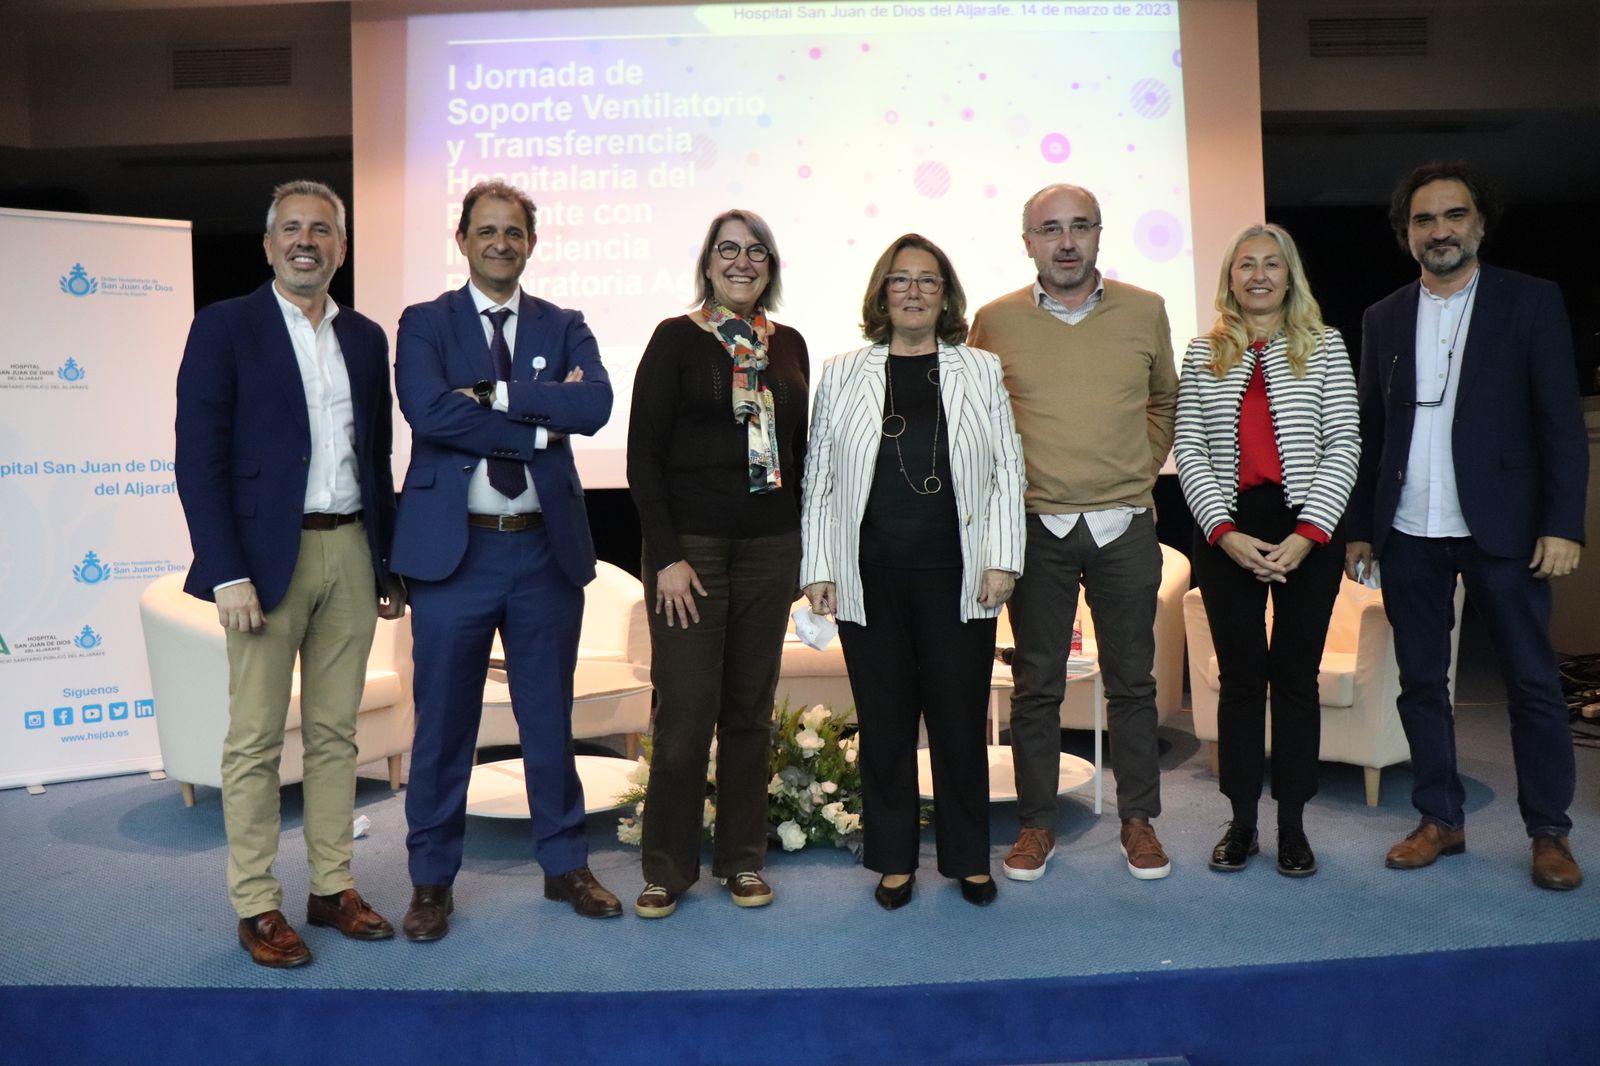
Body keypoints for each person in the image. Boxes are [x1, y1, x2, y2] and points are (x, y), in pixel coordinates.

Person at [174, 180, 404, 967]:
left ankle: (332, 886)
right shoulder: (224, 328)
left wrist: (385, 561)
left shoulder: (368, 338)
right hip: (261, 564)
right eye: (293, 229)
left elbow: (374, 457)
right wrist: (225, 570)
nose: (308, 241)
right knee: (256, 741)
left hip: (349, 550)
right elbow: (197, 459)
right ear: (269, 245)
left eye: (324, 230)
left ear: (340, 247)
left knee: (338, 735)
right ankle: (256, 904)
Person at [1347, 161, 1588, 891]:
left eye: (1454, 216)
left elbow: (1561, 426)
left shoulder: (1531, 303)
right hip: (1409, 530)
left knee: (1533, 683)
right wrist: (1362, 527)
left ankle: (1549, 833)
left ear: (1480, 224)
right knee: (1420, 684)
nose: (1440, 230)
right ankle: (1439, 820)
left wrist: (1563, 523)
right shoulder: (1383, 316)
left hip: (1507, 530)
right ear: (1405, 234)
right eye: (1424, 219)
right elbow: (1371, 429)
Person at [391, 179, 620, 940]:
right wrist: (536, 420)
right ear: (462, 240)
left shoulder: (566, 322)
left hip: (543, 554)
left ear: (531, 241)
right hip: (455, 559)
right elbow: (428, 410)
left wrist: (487, 393)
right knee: (444, 727)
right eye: (485, 231)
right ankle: (430, 882)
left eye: (513, 232)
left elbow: (594, 408)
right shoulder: (424, 323)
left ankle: (565, 866)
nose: (500, 243)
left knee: (549, 722)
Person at [800, 234, 1025, 908]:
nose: (914, 291)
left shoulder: (980, 370)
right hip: (870, 575)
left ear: (946, 295)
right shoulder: (842, 373)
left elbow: (1007, 471)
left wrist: (1004, 558)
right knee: (886, 724)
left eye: (928, 280)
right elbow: (820, 478)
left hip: (960, 577)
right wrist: (818, 566)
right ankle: (893, 859)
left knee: (961, 723)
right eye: (900, 280)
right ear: (882, 294)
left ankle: (966, 858)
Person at [968, 183, 1179, 882]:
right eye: (1050, 229)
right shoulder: (993, 321)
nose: (1066, 241)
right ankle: (1036, 826)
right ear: (1026, 241)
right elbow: (978, 418)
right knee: (1037, 684)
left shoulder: (1145, 310)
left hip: (1125, 523)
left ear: (1098, 235)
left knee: (1133, 684)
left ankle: (1139, 821)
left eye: (1079, 227)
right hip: (1037, 525)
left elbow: (1163, 401)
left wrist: (1138, 470)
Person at [626, 210, 809, 918]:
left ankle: (741, 861)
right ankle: (666, 868)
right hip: (691, 554)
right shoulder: (676, 339)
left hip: (770, 549)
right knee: (684, 715)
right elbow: (643, 456)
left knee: (750, 716)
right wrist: (666, 556)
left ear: (771, 265)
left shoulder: (788, 344)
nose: (742, 261)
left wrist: (802, 552)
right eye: (728, 250)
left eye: (756, 250)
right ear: (707, 263)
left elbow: (798, 454)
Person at [1174, 223, 1359, 877]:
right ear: (1229, 277)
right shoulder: (1203, 353)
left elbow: (1344, 444)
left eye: (1271, 264)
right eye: (1244, 263)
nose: (1258, 275)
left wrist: (1308, 537)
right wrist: (1223, 534)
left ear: (1290, 276)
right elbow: (1189, 449)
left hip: (1307, 525)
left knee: (1296, 681)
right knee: (1242, 680)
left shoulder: (1326, 347)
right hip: (1228, 528)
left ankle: (1293, 827)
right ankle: (1243, 823)